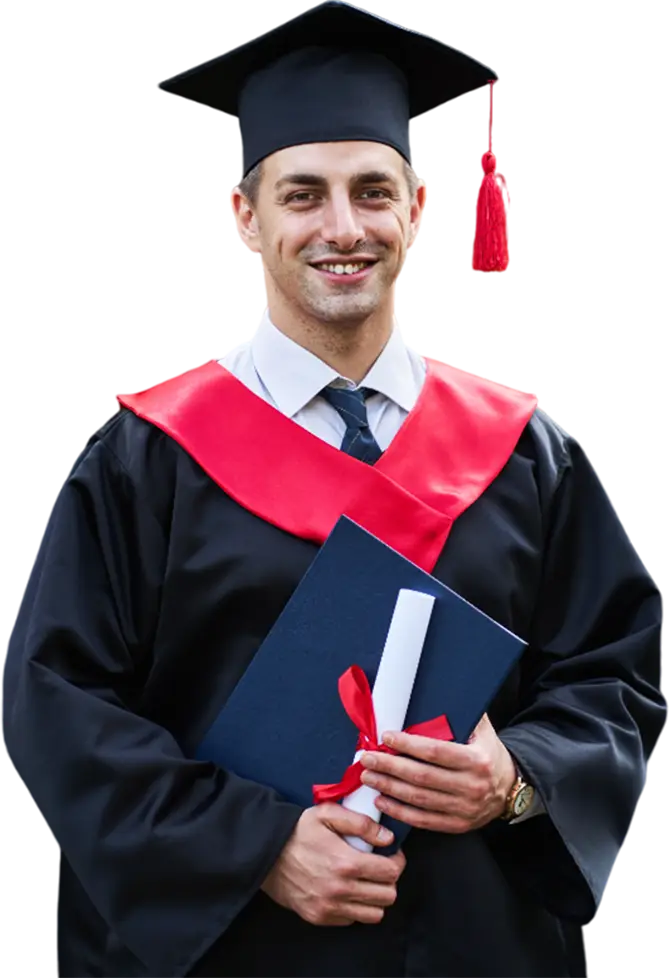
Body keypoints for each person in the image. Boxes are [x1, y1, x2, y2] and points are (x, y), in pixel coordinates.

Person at [1, 3, 663, 977]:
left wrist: (514, 779)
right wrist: (254, 847)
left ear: (417, 210)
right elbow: (57, 707)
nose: (343, 228)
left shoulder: (525, 453)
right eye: (303, 195)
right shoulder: (143, 458)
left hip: (474, 950)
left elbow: (618, 679)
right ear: (244, 215)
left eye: (372, 192)